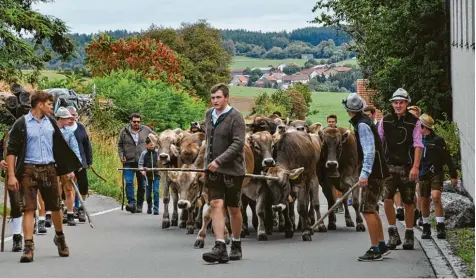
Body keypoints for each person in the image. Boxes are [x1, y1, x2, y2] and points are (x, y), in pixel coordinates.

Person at [6, 91, 82, 263]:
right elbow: (11, 152)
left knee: (55, 207)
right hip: (27, 170)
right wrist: (11, 175)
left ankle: (60, 237)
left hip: (49, 169)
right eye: (48, 104)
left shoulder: (52, 123)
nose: (50, 107)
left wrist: (69, 168)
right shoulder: (22, 124)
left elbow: (61, 148)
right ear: (39, 104)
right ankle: (28, 246)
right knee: (29, 208)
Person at [342, 93, 391, 261]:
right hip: (379, 171)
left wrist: (364, 174)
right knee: (372, 208)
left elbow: (370, 151)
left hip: (374, 173)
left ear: (349, 111)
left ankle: (375, 249)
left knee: (367, 210)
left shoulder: (362, 125)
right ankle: (382, 244)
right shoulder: (365, 121)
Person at [202, 83, 245, 263]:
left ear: (227, 98)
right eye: (213, 98)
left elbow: (238, 144)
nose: (215, 101)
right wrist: (207, 161)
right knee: (215, 204)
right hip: (212, 170)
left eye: (218, 97)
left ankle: (236, 242)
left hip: (232, 170)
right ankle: (220, 245)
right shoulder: (208, 115)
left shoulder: (236, 117)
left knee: (234, 208)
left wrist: (220, 160)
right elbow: (208, 140)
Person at [378, 88, 423, 250]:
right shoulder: (385, 120)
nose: (398, 105)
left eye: (401, 102)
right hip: (389, 166)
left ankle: (409, 234)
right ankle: (393, 233)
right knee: (387, 199)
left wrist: (416, 167)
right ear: (392, 104)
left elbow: (418, 145)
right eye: (395, 103)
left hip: (407, 167)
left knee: (408, 201)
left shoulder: (414, 122)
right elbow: (379, 142)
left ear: (406, 103)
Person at [418, 114, 458, 239]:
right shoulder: (416, 140)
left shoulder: (438, 140)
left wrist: (453, 174)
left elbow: (447, 157)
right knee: (424, 201)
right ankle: (426, 227)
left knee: (436, 197)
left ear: (424, 126)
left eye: (419, 126)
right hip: (422, 173)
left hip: (436, 173)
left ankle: (440, 226)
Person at [117, 113, 154, 213]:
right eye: (134, 121)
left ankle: (139, 205)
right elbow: (120, 145)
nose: (136, 123)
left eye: (138, 121)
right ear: (131, 121)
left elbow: (155, 140)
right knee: (129, 182)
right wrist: (121, 155)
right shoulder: (124, 131)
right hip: (128, 161)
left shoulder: (146, 130)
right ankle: (131, 203)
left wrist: (151, 151)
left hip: (142, 162)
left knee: (142, 184)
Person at [55, 107, 83, 226]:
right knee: (55, 190)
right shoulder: (51, 131)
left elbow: (75, 149)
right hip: (54, 165)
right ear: (60, 119)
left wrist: (76, 164)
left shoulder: (69, 133)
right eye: (67, 118)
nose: (69, 121)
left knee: (69, 189)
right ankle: (55, 213)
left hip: (67, 166)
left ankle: (70, 213)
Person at [66, 106, 93, 223]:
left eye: (74, 115)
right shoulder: (63, 128)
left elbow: (87, 145)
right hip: (67, 163)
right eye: (70, 115)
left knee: (83, 185)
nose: (72, 117)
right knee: (68, 187)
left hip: (81, 162)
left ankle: (81, 207)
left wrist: (89, 161)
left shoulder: (81, 128)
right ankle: (70, 209)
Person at [1, 134, 23, 252]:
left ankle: (29, 236)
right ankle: (17, 236)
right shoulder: (9, 133)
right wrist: (1, 160)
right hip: (12, 174)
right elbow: (1, 149)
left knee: (29, 205)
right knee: (16, 204)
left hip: (29, 173)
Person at [138, 137, 161, 215]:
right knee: (148, 193)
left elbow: (160, 164)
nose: (151, 145)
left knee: (156, 191)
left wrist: (157, 169)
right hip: (147, 177)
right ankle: (149, 206)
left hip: (156, 176)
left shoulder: (158, 153)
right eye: (149, 144)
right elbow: (140, 164)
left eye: (153, 143)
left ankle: (156, 209)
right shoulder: (144, 153)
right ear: (146, 145)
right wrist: (142, 171)